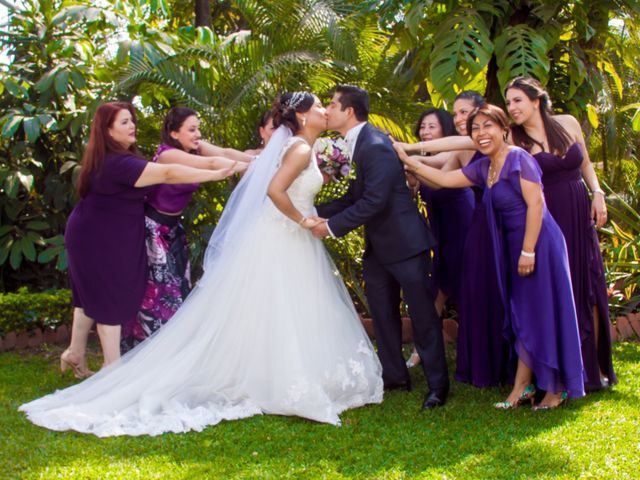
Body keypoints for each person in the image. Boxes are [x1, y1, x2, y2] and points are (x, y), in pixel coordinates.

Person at [20, 92, 383, 436]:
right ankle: (113, 366)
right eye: (320, 105)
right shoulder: (295, 147)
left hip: (280, 236)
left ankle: (81, 353)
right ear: (302, 114)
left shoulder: (295, 145)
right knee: (277, 304)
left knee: (280, 305)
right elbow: (257, 186)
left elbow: (222, 156)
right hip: (270, 235)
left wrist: (237, 168)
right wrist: (299, 217)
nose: (325, 110)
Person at [394, 104, 585, 409]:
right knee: (521, 313)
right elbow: (445, 180)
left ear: (503, 129)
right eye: (475, 129)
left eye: (488, 127)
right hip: (512, 247)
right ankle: (523, 386)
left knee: (541, 312)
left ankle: (555, 387)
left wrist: (527, 251)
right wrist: (409, 161)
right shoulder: (485, 167)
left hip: (538, 245)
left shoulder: (519, 158)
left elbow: (537, 206)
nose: (481, 134)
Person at [57, 102, 241, 378]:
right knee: (108, 298)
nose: (132, 126)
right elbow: (167, 173)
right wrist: (213, 174)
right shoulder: (118, 163)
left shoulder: (115, 157)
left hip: (102, 231)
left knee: (87, 295)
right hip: (95, 235)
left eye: (132, 120)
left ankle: (75, 353)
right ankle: (112, 371)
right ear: (107, 130)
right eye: (123, 122)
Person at [312, 85, 449, 410]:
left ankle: (438, 386)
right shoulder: (359, 143)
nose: (327, 110)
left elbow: (375, 200)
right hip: (379, 247)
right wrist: (315, 211)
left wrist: (330, 227)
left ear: (349, 111)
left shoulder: (374, 145)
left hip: (405, 244)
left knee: (422, 316)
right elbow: (358, 195)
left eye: (332, 104)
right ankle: (395, 375)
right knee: (382, 313)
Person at [505, 76, 616, 391]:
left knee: (589, 287)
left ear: (536, 100)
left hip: (580, 213)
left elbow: (586, 165)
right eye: (509, 102)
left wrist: (597, 192)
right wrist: (412, 150)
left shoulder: (567, 123)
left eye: (517, 100)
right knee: (557, 291)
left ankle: (591, 369)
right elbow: (470, 141)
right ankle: (556, 373)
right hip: (547, 219)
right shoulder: (513, 138)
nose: (512, 107)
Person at [120, 107, 253, 352]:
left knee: (179, 288)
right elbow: (214, 163)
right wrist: (254, 166)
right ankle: (151, 350)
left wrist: (264, 160)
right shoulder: (168, 155)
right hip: (153, 229)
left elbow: (224, 153)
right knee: (159, 292)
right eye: (191, 129)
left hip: (173, 230)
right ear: (173, 133)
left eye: (198, 128)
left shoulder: (192, 148)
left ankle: (172, 349)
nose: (197, 134)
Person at [403, 108, 475, 369]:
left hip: (461, 226)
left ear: (445, 130)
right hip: (440, 233)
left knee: (459, 288)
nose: (425, 132)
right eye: (423, 127)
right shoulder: (424, 158)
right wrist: (412, 181)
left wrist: (408, 161)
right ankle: (422, 348)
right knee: (437, 291)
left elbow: (441, 180)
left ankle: (472, 350)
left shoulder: (452, 153)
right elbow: (418, 188)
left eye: (432, 127)